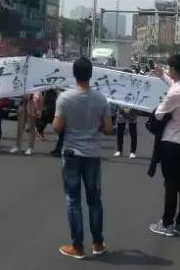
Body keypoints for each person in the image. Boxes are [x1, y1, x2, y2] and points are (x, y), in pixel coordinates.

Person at [52, 57, 113, 259]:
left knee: (73, 200)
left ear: (74, 73)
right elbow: (108, 129)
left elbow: (57, 126)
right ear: (91, 74)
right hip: (93, 154)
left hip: (71, 153)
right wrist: (95, 126)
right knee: (94, 200)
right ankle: (98, 243)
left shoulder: (65, 98)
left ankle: (77, 246)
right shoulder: (101, 99)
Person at [149, 53, 180, 237]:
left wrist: (162, 103)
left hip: (170, 143)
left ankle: (166, 223)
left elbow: (159, 114)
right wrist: (162, 75)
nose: (168, 70)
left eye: (169, 68)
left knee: (170, 184)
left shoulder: (174, 93)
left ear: (174, 69)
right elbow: (174, 84)